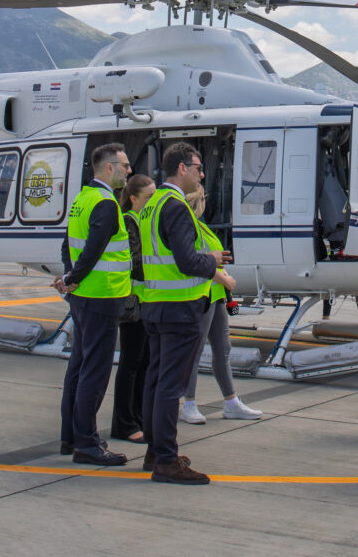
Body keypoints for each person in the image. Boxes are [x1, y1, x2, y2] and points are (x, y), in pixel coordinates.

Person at [138, 141, 236, 484]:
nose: (201, 173)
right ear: (182, 169)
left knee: (155, 381)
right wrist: (212, 260)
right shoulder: (176, 206)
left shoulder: (153, 204)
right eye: (197, 168)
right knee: (170, 385)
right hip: (179, 309)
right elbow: (185, 261)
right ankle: (166, 459)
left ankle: (155, 450)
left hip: (155, 306)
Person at [55, 143, 134, 466]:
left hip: (83, 297)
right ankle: (87, 443)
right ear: (109, 168)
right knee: (95, 371)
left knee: (78, 366)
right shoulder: (105, 203)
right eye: (125, 165)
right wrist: (74, 277)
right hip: (101, 296)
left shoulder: (82, 200)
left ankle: (71, 437)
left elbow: (67, 245)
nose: (129, 170)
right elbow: (94, 249)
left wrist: (70, 277)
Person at [180, 184, 263, 424]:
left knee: (223, 348)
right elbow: (195, 261)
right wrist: (223, 277)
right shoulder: (190, 226)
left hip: (216, 296)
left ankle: (231, 402)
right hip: (203, 293)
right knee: (195, 351)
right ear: (201, 200)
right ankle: (189, 403)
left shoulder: (201, 226)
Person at [110, 173, 156, 443]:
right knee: (131, 362)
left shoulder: (143, 220)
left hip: (146, 301)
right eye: (148, 197)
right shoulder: (130, 221)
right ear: (133, 198)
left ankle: (138, 417)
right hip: (134, 303)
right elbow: (135, 261)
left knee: (144, 362)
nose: (152, 202)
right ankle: (125, 423)